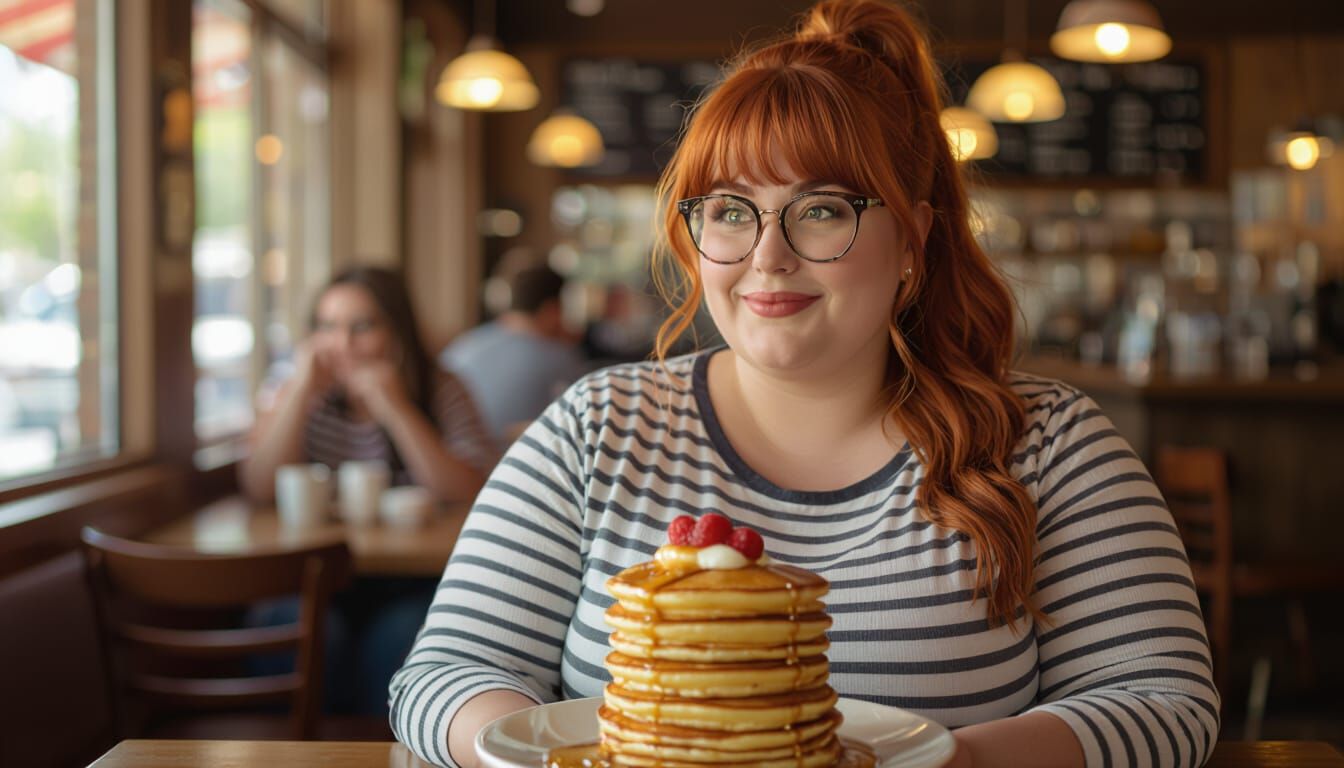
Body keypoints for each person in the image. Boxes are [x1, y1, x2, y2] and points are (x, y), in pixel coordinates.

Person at [389, 1, 1219, 766]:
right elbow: (444, 676)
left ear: (913, 241)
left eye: (822, 208)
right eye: (727, 209)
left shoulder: (1045, 443)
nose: (767, 254)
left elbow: (1166, 704)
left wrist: (945, 762)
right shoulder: (596, 429)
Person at [239, 266, 497, 715]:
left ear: (396, 331)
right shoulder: (295, 388)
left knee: (401, 637)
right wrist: (299, 391)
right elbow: (259, 486)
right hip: (310, 574)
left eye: (362, 327)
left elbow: (466, 490)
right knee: (294, 623)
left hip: (409, 578)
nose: (341, 344)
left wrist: (395, 408)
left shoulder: (441, 388)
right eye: (326, 327)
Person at [439, 264, 589, 447]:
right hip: (514, 466)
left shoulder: (463, 346)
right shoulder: (559, 357)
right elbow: (582, 423)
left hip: (455, 462)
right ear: (552, 310)